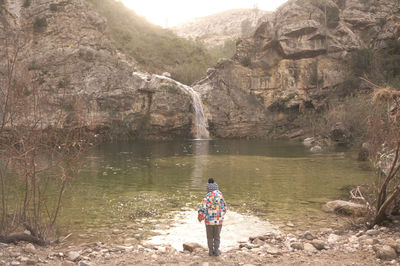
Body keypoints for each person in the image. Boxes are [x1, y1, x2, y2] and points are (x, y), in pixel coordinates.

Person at [198, 178, 227, 256]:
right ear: (216, 187)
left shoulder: (207, 197)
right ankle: (216, 250)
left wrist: (200, 218)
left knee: (210, 237)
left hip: (209, 222)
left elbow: (202, 209)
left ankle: (211, 251)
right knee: (217, 236)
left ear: (208, 189)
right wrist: (221, 215)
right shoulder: (220, 196)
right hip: (218, 221)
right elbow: (224, 208)